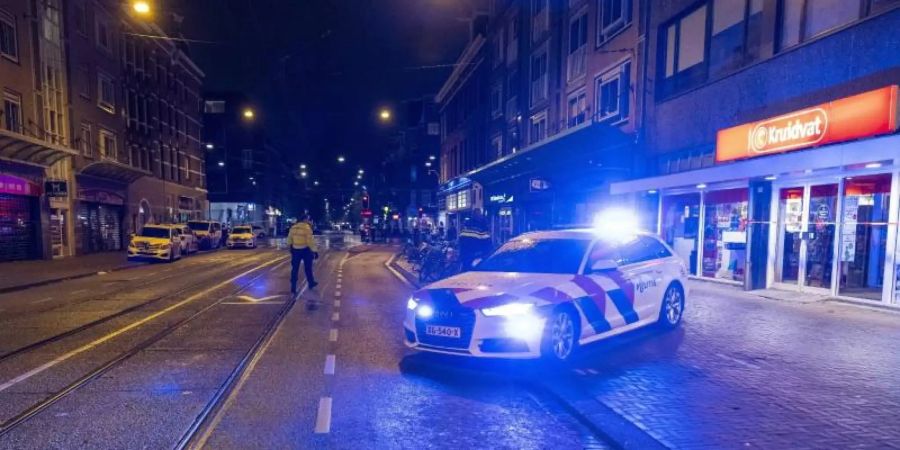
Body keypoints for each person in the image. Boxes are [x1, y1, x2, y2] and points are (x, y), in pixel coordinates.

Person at [287, 215, 319, 293]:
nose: (308, 220)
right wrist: (315, 251)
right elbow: (310, 241)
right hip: (305, 250)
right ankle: (311, 282)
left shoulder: (293, 228)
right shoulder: (307, 228)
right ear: (304, 220)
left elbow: (289, 239)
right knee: (308, 267)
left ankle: (293, 286)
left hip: (295, 250)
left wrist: (290, 248)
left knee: (295, 268)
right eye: (307, 219)